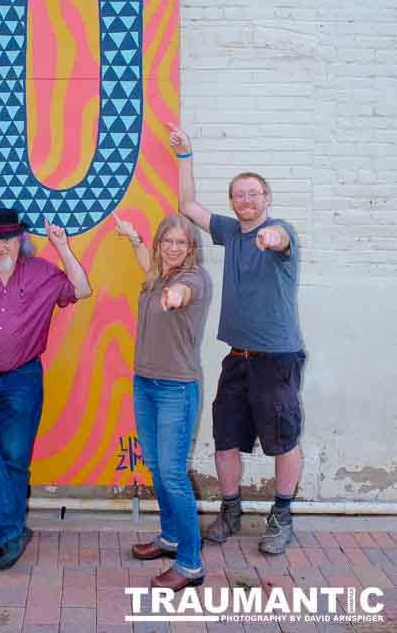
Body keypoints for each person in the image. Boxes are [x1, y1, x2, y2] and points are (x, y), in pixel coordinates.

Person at [167, 125, 305, 555]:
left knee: (283, 439)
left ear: (266, 199)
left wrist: (271, 237)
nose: (246, 201)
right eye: (239, 195)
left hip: (276, 358)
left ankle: (281, 516)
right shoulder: (229, 232)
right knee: (225, 438)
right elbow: (187, 205)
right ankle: (230, 510)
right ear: (232, 202)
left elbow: (279, 239)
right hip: (237, 357)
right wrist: (185, 155)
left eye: (253, 194)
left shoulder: (281, 232)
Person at [0, 207, 92, 571]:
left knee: (14, 458)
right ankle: (10, 532)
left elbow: (82, 289)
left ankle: (9, 532)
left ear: (20, 239)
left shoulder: (42, 272)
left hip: (22, 380)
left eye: (8, 238)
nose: (0, 246)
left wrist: (62, 247)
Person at [113, 211, 210, 593]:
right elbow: (147, 265)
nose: (173, 248)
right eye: (167, 242)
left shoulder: (192, 280)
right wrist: (134, 238)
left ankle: (190, 564)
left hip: (176, 390)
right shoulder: (157, 275)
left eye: (180, 243)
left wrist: (175, 297)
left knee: (172, 475)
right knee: (156, 466)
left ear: (191, 248)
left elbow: (181, 294)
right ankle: (170, 538)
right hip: (145, 384)